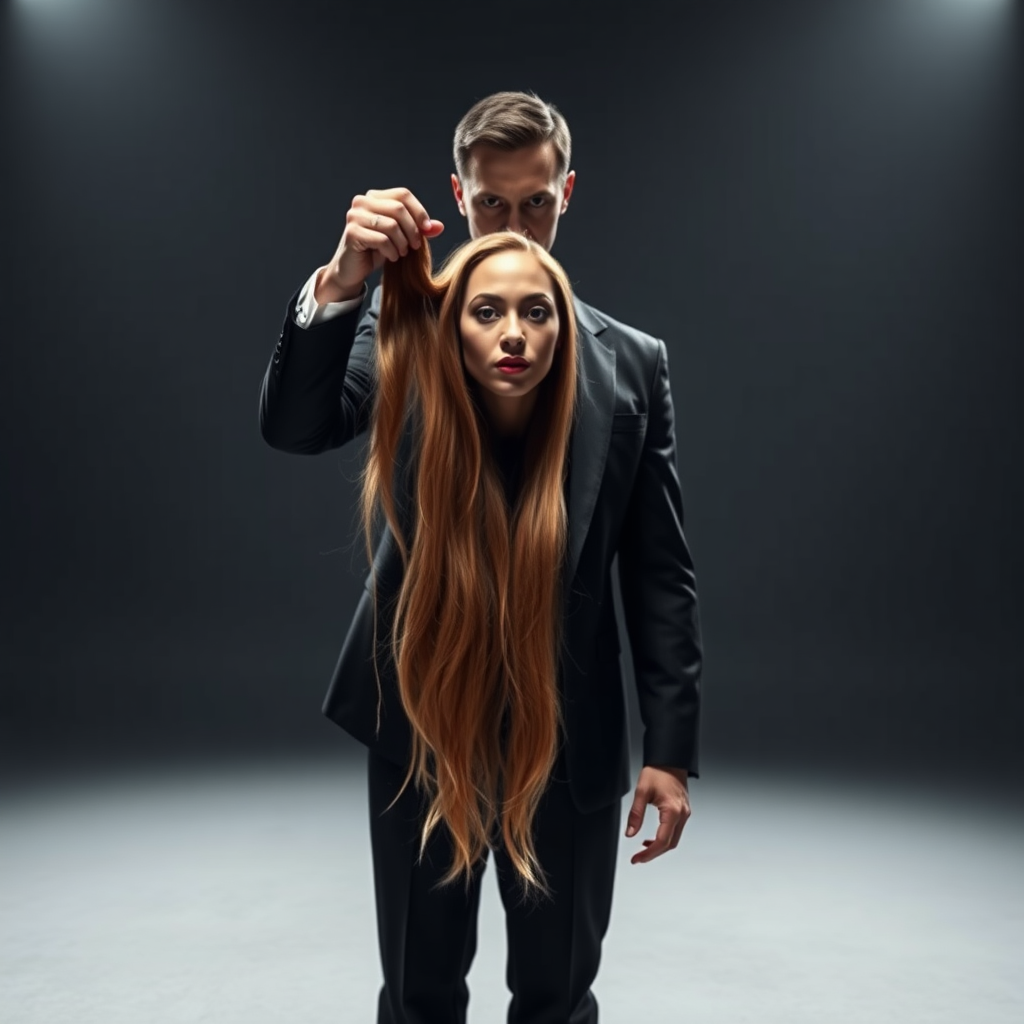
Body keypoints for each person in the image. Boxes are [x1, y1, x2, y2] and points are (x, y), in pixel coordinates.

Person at [258, 90, 703, 1024]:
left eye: (534, 202)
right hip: (421, 718)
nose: (515, 224)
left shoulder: (632, 363)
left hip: (569, 732)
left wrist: (670, 749)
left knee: (557, 993)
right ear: (458, 197)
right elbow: (297, 428)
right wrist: (341, 283)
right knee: (419, 992)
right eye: (491, 205)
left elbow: (657, 566)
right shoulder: (406, 331)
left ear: (566, 194)